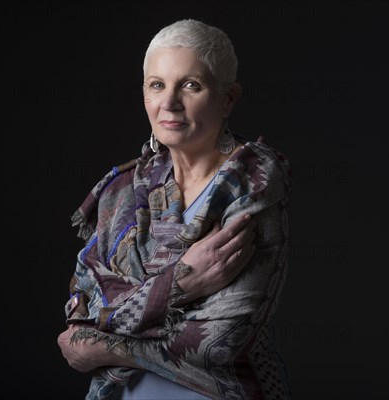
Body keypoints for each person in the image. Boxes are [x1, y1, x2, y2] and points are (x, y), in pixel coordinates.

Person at [57, 19, 292, 399]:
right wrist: (184, 284)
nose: (169, 103)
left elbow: (218, 340)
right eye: (157, 85)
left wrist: (103, 344)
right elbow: (81, 310)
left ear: (228, 97)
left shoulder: (254, 180)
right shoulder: (121, 192)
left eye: (190, 85)